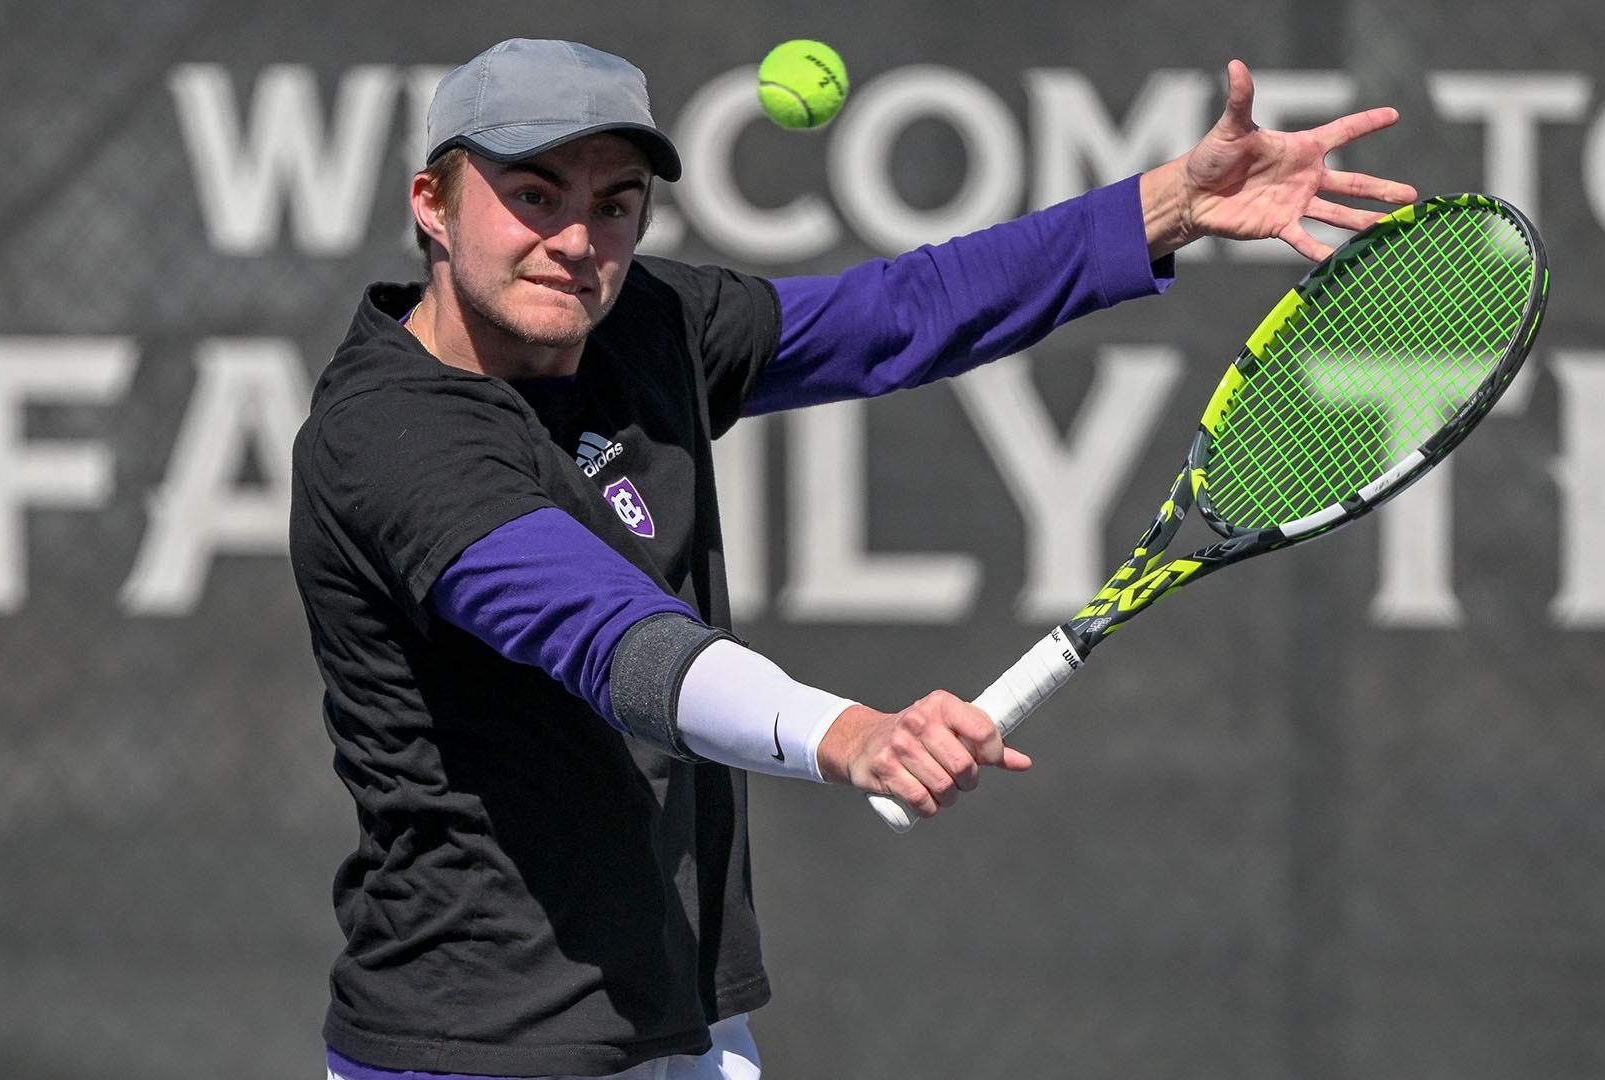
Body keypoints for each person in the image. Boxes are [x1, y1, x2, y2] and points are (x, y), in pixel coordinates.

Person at [288, 37, 1415, 1080]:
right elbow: (616, 645)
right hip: (478, 1042)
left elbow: (898, 313)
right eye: (534, 196)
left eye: (614, 204)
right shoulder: (391, 434)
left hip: (683, 1017)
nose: (578, 242)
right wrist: (852, 735)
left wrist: (1170, 205)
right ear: (433, 203)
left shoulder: (646, 322)